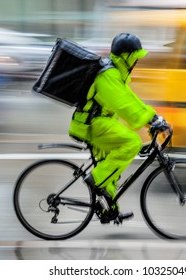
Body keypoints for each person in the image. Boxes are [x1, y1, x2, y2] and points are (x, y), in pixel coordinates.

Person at [68, 33, 168, 223]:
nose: (137, 61)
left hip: (98, 123)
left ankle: (110, 211)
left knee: (113, 167)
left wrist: (153, 118)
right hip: (92, 125)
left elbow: (132, 101)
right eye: (135, 57)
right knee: (132, 142)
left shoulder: (116, 73)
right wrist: (151, 120)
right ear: (126, 57)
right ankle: (95, 179)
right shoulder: (109, 75)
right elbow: (124, 106)